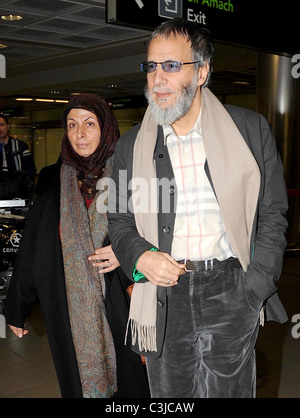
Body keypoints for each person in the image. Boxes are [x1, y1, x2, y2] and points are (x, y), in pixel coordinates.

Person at [107, 18, 289, 398]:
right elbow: (120, 221)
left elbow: (273, 214)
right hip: (164, 293)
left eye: (172, 66)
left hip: (231, 288)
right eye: (152, 66)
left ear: (202, 71)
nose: (157, 78)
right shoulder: (131, 147)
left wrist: (256, 285)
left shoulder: (250, 130)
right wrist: (142, 258)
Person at [4, 93, 149, 398]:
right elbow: (33, 244)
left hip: (124, 301)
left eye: (89, 124)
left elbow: (160, 232)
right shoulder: (50, 179)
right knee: (78, 383)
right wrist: (16, 306)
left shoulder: (132, 176)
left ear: (106, 127)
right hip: (68, 308)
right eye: (72, 125)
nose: (79, 134)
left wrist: (127, 250)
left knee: (134, 384)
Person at [0, 113, 36, 183]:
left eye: (2, 125)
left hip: (16, 189)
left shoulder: (20, 146)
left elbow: (30, 169)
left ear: (8, 127)